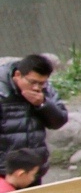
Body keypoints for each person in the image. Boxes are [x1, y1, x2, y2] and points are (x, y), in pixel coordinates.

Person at [0, 54, 69, 184]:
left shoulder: (46, 89)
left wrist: (43, 104)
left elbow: (59, 121)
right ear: (18, 75)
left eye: (41, 83)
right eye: (32, 82)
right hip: (5, 171)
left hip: (33, 170)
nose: (37, 88)